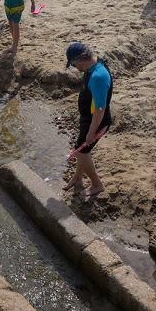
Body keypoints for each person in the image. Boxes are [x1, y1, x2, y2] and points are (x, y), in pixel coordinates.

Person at [63, 42, 112, 198]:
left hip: (96, 122)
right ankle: (78, 178)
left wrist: (91, 132)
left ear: (81, 60)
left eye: (74, 64)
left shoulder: (98, 76)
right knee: (81, 150)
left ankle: (97, 184)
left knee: (82, 152)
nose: (75, 68)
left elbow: (100, 109)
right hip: (88, 119)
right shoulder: (93, 66)